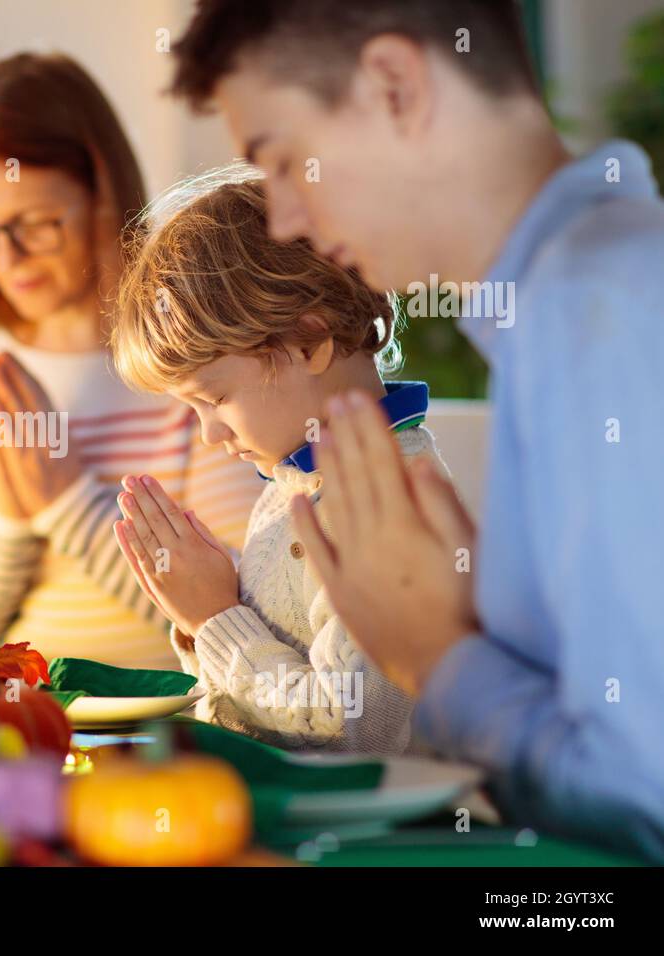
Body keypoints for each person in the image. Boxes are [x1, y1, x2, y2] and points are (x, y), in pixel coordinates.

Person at [170, 0, 664, 859]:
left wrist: (437, 657)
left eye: (284, 162)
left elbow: (639, 795)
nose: (284, 218)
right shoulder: (574, 298)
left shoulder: (604, 310)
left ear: (395, 86)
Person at [0, 53, 261, 667]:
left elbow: (243, 607)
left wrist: (68, 506)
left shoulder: (190, 352)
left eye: (36, 223)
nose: (7, 257)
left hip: (167, 726)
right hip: (15, 721)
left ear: (103, 195)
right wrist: (10, 525)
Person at [110, 165, 449, 753]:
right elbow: (261, 711)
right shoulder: (296, 479)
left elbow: (354, 728)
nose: (210, 433)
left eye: (214, 398)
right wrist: (204, 621)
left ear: (308, 342)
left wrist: (217, 619)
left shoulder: (390, 502)